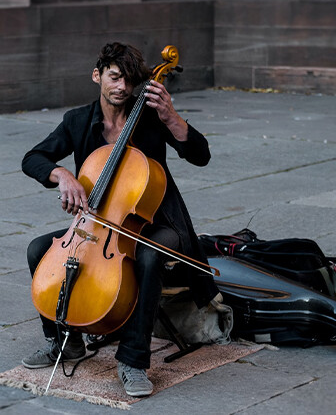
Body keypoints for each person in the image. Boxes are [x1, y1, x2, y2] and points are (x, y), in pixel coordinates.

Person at [20, 42, 219, 397]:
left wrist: (172, 118)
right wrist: (61, 175)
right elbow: (32, 158)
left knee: (149, 254)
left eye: (128, 81)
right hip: (100, 224)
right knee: (38, 249)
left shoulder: (151, 118)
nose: (121, 88)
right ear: (97, 75)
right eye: (114, 77)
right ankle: (65, 342)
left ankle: (133, 360)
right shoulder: (78, 121)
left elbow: (201, 156)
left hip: (157, 222)